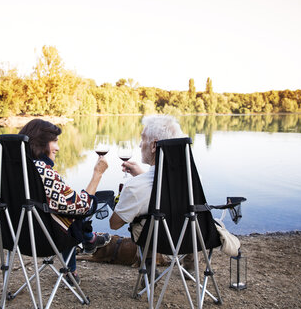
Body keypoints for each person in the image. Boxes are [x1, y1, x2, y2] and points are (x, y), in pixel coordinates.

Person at [19, 119, 111, 286]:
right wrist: (97, 174)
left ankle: (79, 259)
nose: (58, 147)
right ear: (41, 143)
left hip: (16, 237)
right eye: (54, 142)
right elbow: (83, 206)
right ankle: (89, 238)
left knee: (61, 208)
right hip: (44, 240)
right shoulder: (42, 171)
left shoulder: (13, 169)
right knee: (73, 212)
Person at [109, 115, 194, 274]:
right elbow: (164, 186)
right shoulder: (192, 179)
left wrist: (121, 202)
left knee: (144, 223)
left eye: (143, 139)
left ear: (154, 145)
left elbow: (114, 224)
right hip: (192, 238)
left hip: (159, 241)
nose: (140, 144)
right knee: (184, 214)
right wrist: (141, 174)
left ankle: (149, 272)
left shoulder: (135, 187)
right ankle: (190, 266)